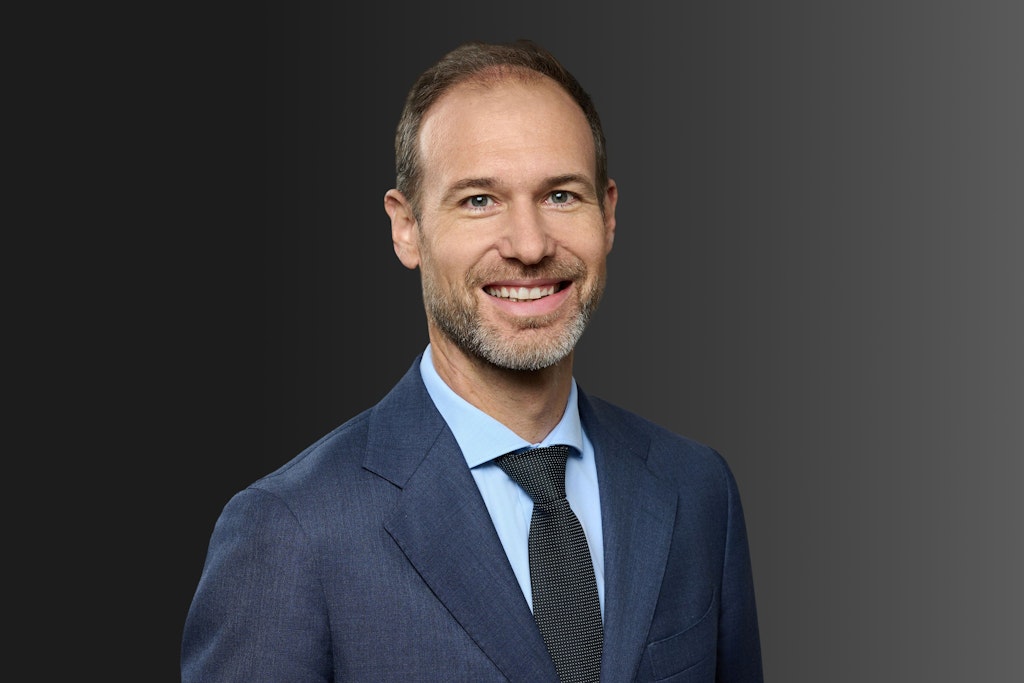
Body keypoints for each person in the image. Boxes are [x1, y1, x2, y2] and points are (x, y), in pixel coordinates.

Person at [182, 39, 763, 682]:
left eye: (561, 195)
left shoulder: (696, 489)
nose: (530, 246)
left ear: (608, 214)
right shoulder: (292, 530)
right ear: (407, 227)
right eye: (479, 200)